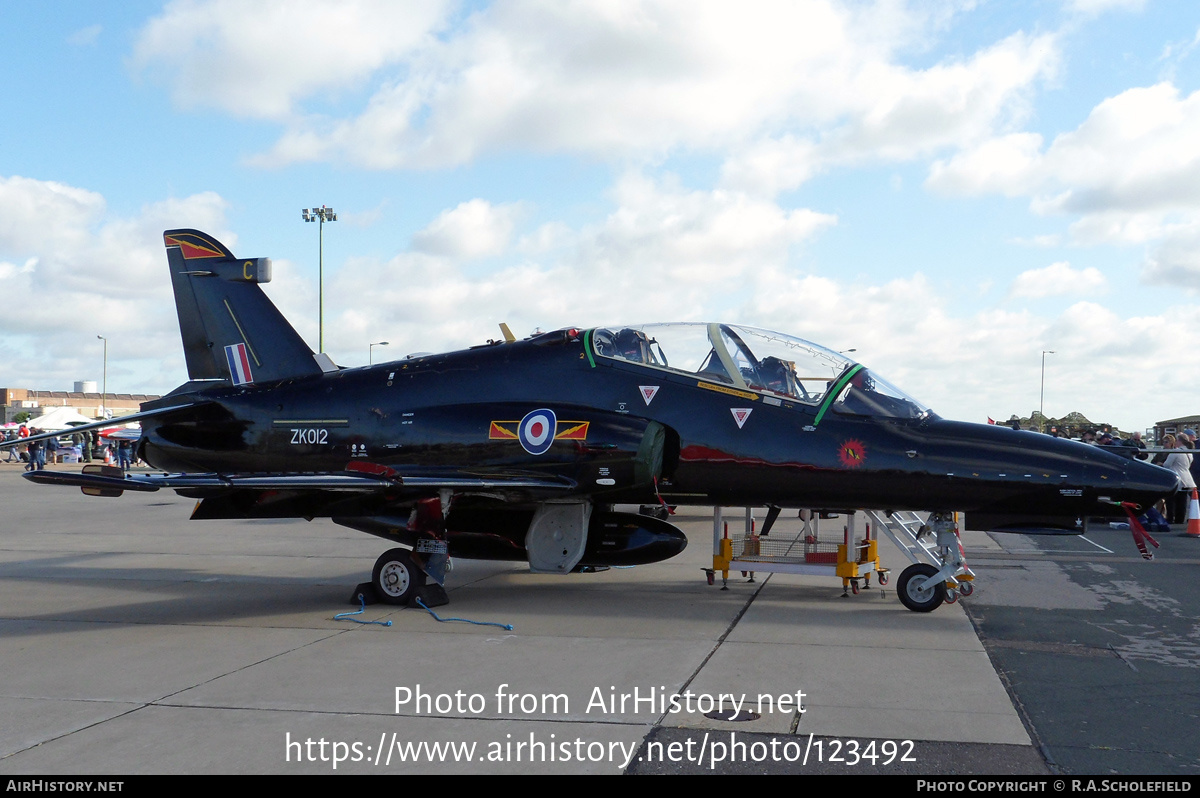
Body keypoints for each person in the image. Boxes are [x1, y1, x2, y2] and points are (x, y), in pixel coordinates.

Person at [1164, 434, 1195, 524]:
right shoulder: (1189, 453)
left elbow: (1167, 464)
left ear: (1179, 441)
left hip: (1177, 478)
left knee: (1170, 500)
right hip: (1187, 478)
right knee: (1182, 501)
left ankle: (1170, 518)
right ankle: (1180, 519)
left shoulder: (1176, 452)